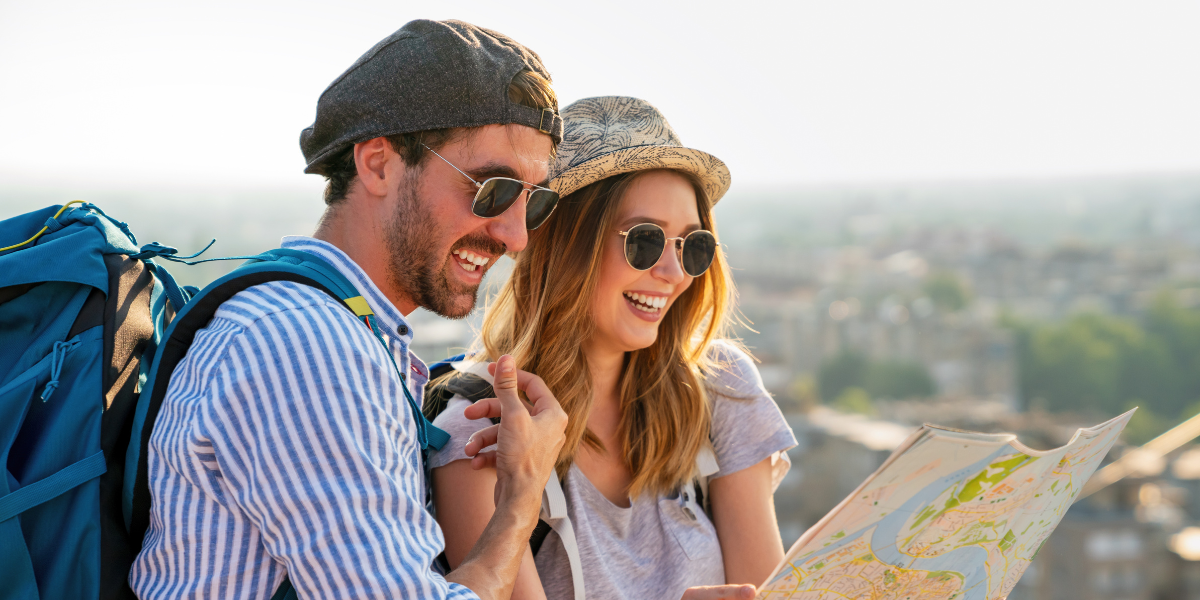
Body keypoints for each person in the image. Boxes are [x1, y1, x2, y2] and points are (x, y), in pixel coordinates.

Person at [129, 20, 570, 600]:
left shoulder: (345, 330)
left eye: (534, 201)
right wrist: (520, 500)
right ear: (379, 164)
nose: (516, 236)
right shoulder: (305, 344)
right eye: (492, 189)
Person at [430, 96, 798, 600]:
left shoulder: (719, 391)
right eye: (644, 241)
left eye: (692, 246)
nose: (672, 273)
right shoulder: (483, 430)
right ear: (564, 243)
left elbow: (767, 590)